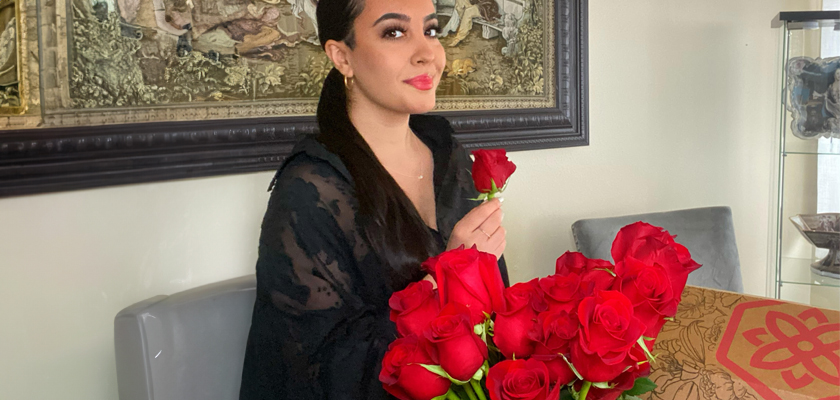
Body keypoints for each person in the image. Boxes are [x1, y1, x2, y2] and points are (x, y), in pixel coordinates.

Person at [238, 0, 509, 398]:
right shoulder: (311, 191)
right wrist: (447, 281)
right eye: (394, 32)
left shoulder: (450, 158)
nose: (427, 53)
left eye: (431, 30)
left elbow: (496, 320)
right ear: (342, 56)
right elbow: (318, 371)